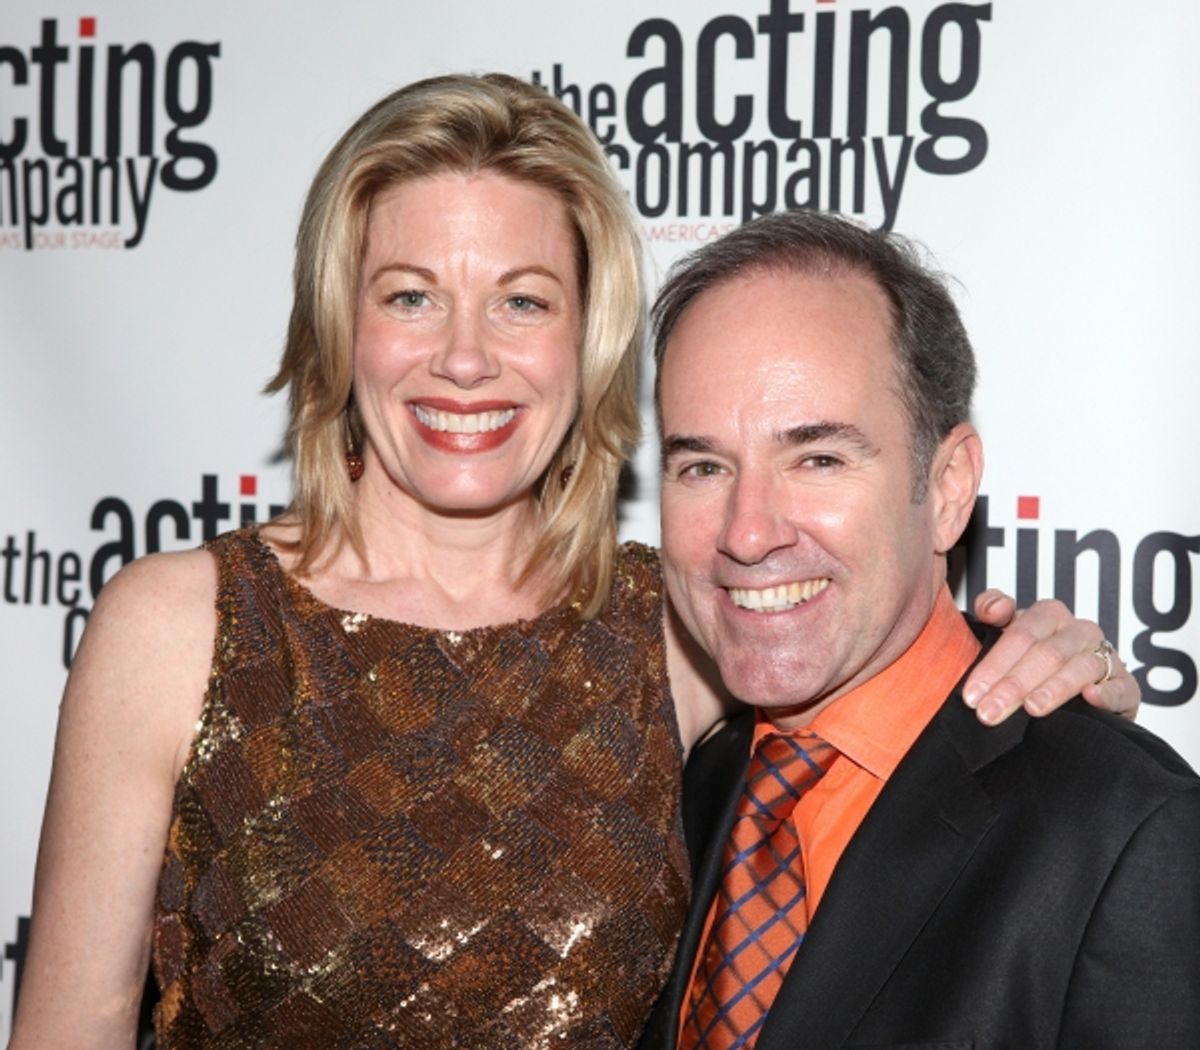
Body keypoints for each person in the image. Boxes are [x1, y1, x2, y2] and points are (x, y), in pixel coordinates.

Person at [9, 76, 1138, 1050]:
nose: (464, 357)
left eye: (522, 301)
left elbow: (902, 701)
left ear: (586, 335)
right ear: (337, 324)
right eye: (411, 296)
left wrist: (1055, 677)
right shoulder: (179, 627)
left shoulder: (677, 624)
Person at [638, 209, 1200, 1050]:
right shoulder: (674, 785)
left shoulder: (1123, 836)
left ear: (945, 488)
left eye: (818, 458)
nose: (746, 532)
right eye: (703, 466)